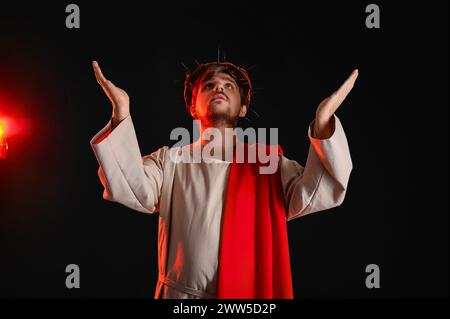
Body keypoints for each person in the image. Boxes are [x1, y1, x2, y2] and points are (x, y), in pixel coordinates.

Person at [90, 60, 358, 299]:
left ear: (243, 107)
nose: (218, 88)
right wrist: (120, 114)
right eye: (209, 85)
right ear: (193, 106)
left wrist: (323, 123)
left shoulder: (267, 164)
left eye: (228, 86)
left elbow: (315, 193)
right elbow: (131, 188)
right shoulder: (170, 160)